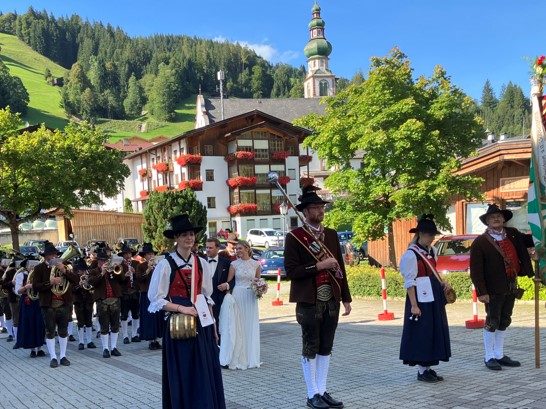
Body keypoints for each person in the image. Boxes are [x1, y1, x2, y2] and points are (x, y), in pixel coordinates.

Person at [147, 214, 225, 409]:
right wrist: (182, 309)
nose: (189, 238)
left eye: (191, 234)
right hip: (177, 324)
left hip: (201, 321)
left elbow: (206, 296)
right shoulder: (165, 265)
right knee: (183, 368)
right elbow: (156, 300)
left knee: (203, 367)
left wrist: (213, 326)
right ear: (176, 238)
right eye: (184, 235)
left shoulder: (202, 263)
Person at [284, 185, 351, 409]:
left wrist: (346, 298)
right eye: (315, 207)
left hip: (331, 298)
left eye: (321, 207)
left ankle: (322, 390)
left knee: (326, 346)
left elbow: (340, 268)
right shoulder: (295, 237)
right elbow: (291, 272)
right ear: (305, 211)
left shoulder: (330, 234)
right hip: (308, 300)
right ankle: (311, 393)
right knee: (310, 346)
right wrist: (319, 265)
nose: (320, 210)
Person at [470, 204, 534, 370]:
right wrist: (482, 292)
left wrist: (541, 228)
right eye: (492, 217)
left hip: (511, 284)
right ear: (487, 222)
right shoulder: (480, 242)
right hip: (492, 287)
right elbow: (476, 271)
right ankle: (489, 356)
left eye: (498, 216)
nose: (496, 219)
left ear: (504, 219)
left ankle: (499, 354)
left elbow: (531, 240)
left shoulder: (513, 234)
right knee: (493, 320)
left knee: (505, 319)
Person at [399, 214, 451, 383]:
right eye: (429, 235)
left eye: (433, 235)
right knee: (423, 331)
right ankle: (422, 371)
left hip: (433, 294)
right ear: (420, 234)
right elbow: (410, 282)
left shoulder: (432, 251)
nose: (432, 238)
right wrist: (414, 305)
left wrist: (443, 285)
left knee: (434, 329)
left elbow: (434, 273)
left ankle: (428, 368)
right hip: (420, 298)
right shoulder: (410, 255)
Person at [32, 241, 79, 368]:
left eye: (54, 255)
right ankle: (53, 357)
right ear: (45, 256)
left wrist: (64, 270)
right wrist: (50, 282)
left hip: (64, 303)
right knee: (50, 331)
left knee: (63, 331)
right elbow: (35, 286)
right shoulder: (39, 268)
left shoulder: (65, 266)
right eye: (50, 255)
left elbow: (76, 281)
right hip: (48, 305)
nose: (53, 257)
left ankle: (63, 356)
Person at [221, 240, 261, 370]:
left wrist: (260, 288)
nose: (237, 251)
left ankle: (251, 357)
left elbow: (258, 281)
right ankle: (238, 355)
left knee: (250, 324)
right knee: (238, 325)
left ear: (247, 249)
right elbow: (229, 282)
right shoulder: (234, 264)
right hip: (238, 295)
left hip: (250, 297)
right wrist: (228, 297)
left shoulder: (256, 264)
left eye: (240, 248)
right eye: (236, 249)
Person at [88, 248, 126, 358]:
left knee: (115, 325)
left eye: (105, 260)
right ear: (98, 261)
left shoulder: (113, 269)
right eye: (101, 261)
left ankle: (113, 347)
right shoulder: (94, 271)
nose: (104, 262)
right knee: (104, 326)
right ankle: (105, 348)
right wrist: (102, 272)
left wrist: (117, 268)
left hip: (115, 300)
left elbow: (122, 278)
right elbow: (92, 282)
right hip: (102, 301)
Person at [136, 242, 164, 350]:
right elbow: (139, 279)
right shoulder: (141, 266)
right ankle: (150, 341)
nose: (151, 256)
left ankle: (157, 340)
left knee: (157, 317)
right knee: (149, 318)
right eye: (148, 254)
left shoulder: (159, 265)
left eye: (152, 254)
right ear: (145, 256)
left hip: (157, 294)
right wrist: (148, 269)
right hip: (146, 294)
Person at [14, 259, 45, 358]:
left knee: (39, 323)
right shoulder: (21, 275)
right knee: (29, 324)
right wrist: (26, 287)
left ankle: (40, 348)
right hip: (27, 301)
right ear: (26, 265)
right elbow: (17, 291)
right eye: (30, 264)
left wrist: (35, 286)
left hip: (38, 300)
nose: (32, 266)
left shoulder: (39, 274)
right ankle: (32, 349)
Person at [206, 238, 234, 330]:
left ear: (218, 249)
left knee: (220, 325)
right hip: (204, 299)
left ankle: (220, 343)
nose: (208, 250)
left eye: (211, 248)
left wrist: (227, 285)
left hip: (220, 299)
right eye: (206, 247)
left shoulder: (226, 263)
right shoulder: (200, 261)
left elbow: (234, 280)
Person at [119, 243, 141, 344]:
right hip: (125, 292)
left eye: (129, 253)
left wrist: (135, 272)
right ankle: (125, 336)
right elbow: (118, 280)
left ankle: (134, 334)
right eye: (125, 254)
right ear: (123, 255)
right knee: (124, 315)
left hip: (135, 291)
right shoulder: (120, 266)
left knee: (135, 314)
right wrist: (125, 275)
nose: (128, 255)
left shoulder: (136, 264)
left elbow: (140, 278)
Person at [72, 258, 96, 350]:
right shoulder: (74, 277)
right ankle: (81, 341)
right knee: (80, 322)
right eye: (80, 270)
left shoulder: (88, 276)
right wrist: (79, 286)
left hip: (88, 301)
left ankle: (89, 341)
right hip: (79, 302)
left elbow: (92, 287)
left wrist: (88, 284)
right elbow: (72, 289)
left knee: (89, 322)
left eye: (83, 270)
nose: (82, 272)